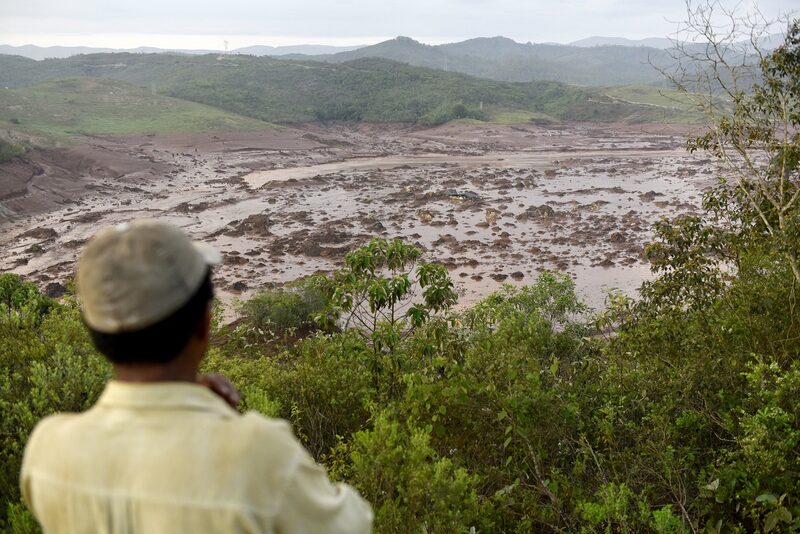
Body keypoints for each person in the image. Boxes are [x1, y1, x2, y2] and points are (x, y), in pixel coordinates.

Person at [20, 220, 373, 533]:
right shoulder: (258, 455)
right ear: (204, 324)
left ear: (95, 331)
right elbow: (355, 524)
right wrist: (220, 423)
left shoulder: (47, 450)